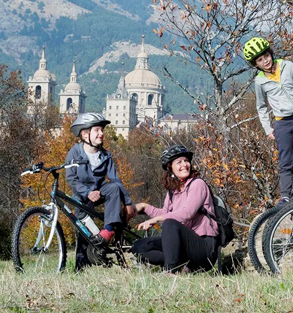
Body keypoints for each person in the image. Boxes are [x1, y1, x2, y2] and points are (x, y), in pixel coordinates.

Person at [243, 36, 293, 205]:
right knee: (285, 161)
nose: (266, 61)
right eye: (260, 60)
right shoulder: (260, 81)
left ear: (271, 53)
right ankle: (286, 196)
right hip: (282, 123)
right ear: (255, 64)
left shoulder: (288, 66)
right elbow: (261, 106)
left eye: (267, 56)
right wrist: (267, 128)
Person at [130, 145, 219, 273]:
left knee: (170, 224)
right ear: (170, 168)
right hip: (184, 247)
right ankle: (178, 263)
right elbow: (165, 213)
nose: (184, 164)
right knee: (139, 246)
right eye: (179, 162)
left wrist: (156, 219)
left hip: (204, 248)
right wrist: (144, 207)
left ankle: (170, 270)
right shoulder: (173, 191)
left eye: (186, 161)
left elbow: (187, 213)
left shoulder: (198, 184)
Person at [66, 112, 136, 270]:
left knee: (113, 188)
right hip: (82, 197)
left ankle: (108, 231)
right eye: (97, 130)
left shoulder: (105, 155)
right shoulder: (75, 152)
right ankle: (81, 267)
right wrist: (87, 192)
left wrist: (128, 202)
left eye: (102, 130)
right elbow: (71, 178)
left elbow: (115, 180)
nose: (101, 133)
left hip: (101, 191)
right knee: (83, 232)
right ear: (85, 134)